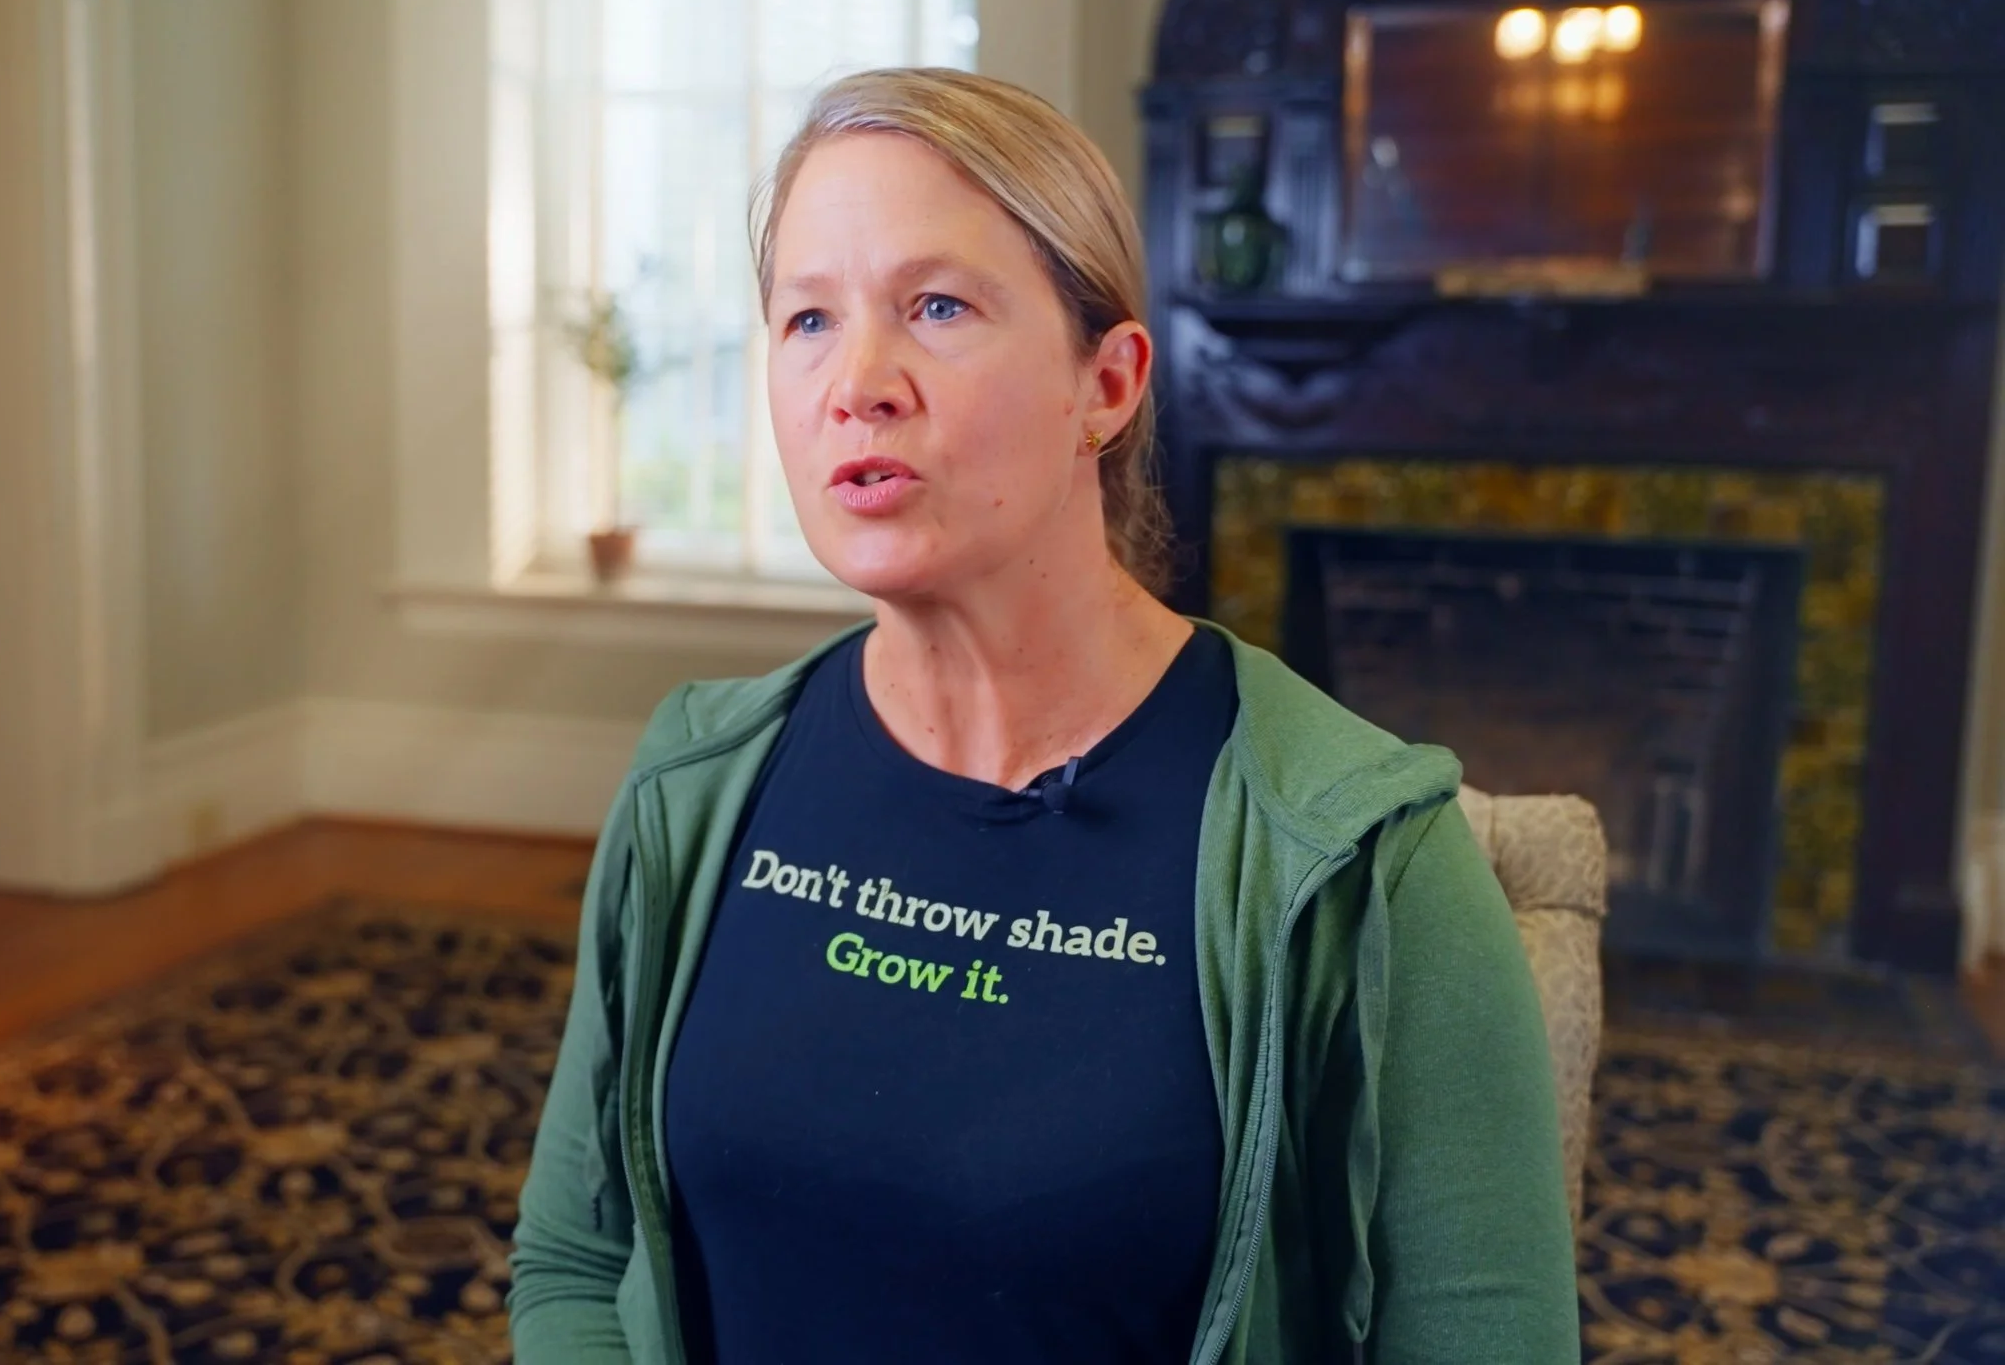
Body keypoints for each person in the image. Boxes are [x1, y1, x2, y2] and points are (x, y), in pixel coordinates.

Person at [507, 67, 1577, 1364]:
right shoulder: (695, 781)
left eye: (937, 305)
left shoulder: (1369, 862)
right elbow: (577, 1261)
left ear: (1108, 382)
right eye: (806, 320)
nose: (859, 381)